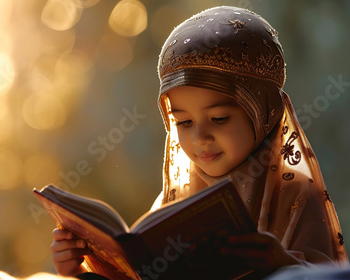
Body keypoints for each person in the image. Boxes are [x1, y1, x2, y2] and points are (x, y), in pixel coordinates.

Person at [50, 5, 348, 278]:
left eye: (219, 119)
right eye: (183, 122)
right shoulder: (180, 198)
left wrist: (284, 266)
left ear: (263, 113)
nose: (200, 138)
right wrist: (80, 268)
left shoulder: (295, 195)